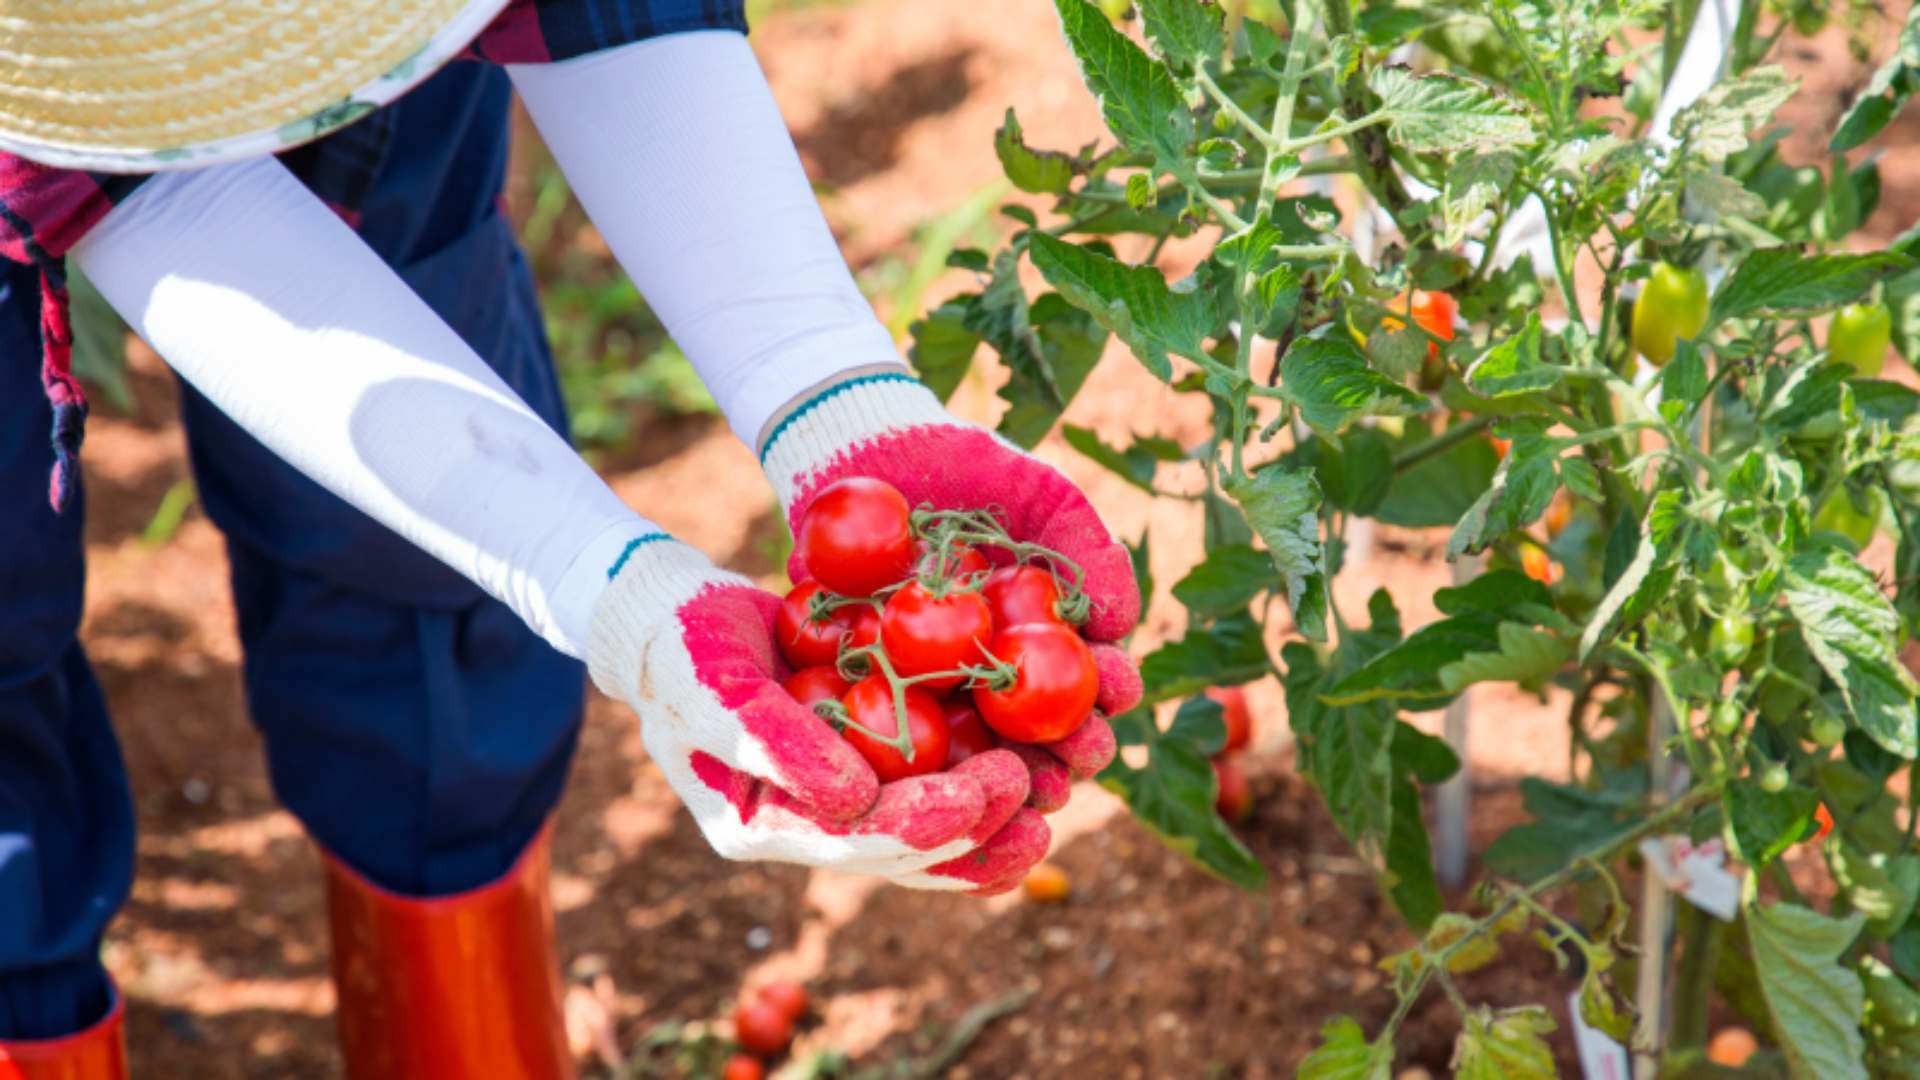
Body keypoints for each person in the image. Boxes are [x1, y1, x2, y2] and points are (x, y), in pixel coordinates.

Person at [0, 2, 1141, 1077]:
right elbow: (145, 188)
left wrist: (823, 389)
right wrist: (599, 585)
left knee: (420, 616)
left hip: (381, 64)